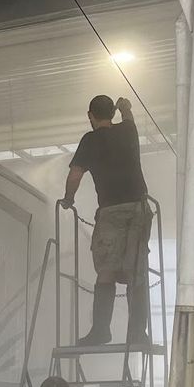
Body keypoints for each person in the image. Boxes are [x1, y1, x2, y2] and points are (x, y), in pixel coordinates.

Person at [61, 94, 153, 348]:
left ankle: (101, 331)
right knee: (136, 273)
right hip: (139, 210)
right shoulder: (128, 130)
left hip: (111, 212)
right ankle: (137, 334)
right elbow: (129, 117)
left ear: (90, 115)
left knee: (106, 272)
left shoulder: (90, 140)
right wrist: (125, 107)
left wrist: (68, 199)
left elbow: (75, 174)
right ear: (112, 113)